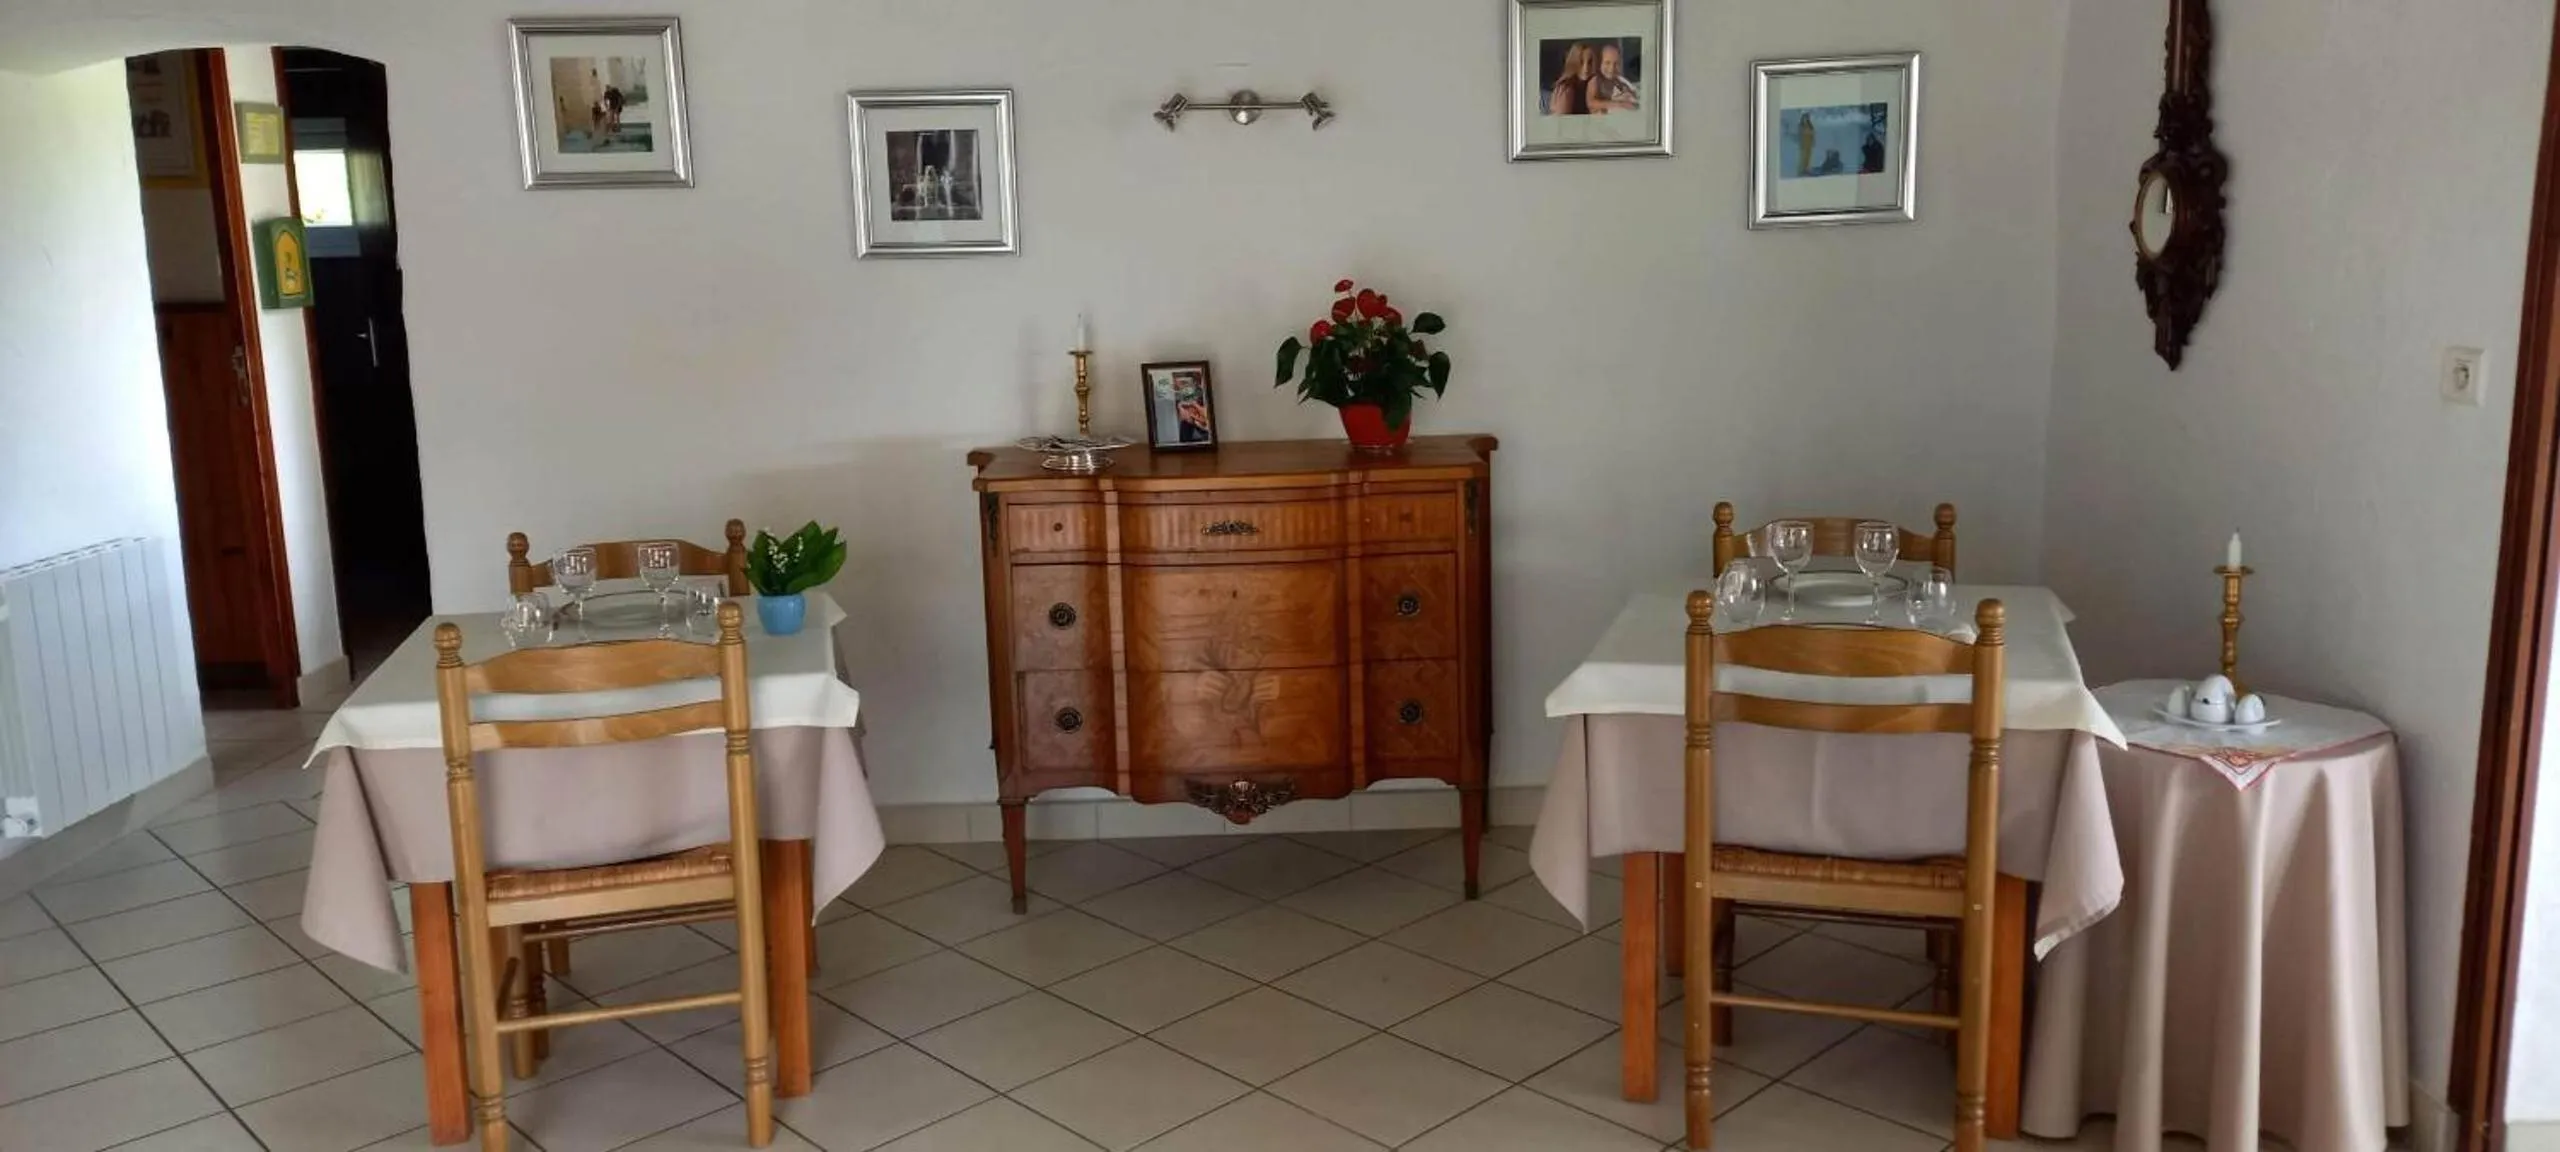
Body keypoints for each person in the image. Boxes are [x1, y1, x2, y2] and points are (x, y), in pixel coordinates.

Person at [1586, 41, 1639, 113]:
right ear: (1599, 63)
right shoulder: (1596, 80)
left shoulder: (1617, 80)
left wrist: (1629, 94)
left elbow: (1629, 91)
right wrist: (1619, 104)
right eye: (1607, 63)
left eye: (1616, 63)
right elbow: (1591, 103)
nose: (1612, 68)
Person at [1546, 42, 1590, 116]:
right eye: (1581, 62)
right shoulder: (1567, 88)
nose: (1586, 68)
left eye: (1590, 62)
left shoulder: (1588, 84)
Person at [1794, 111, 1816, 177]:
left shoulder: (1810, 125)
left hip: (1809, 144)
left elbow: (1813, 133)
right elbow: (1801, 133)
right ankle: (1801, 171)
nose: (1806, 119)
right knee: (1802, 158)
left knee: (1808, 158)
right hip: (1803, 144)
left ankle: (1807, 169)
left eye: (1807, 117)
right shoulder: (1801, 125)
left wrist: (1813, 141)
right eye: (1805, 117)